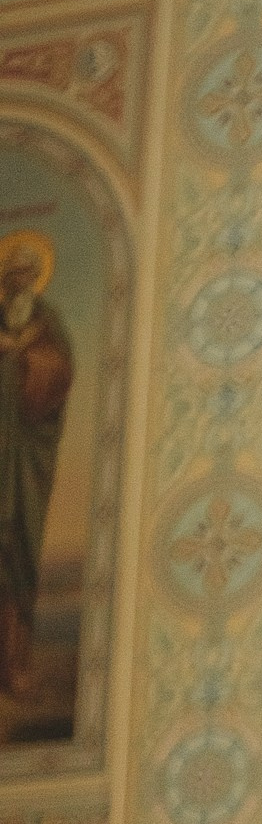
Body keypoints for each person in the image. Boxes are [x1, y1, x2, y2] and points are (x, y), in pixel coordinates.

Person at [0, 228, 70, 697]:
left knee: (16, 550)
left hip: (22, 454)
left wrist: (25, 357)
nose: (20, 279)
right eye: (13, 272)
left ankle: (12, 665)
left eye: (28, 272)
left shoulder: (48, 323)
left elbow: (59, 370)